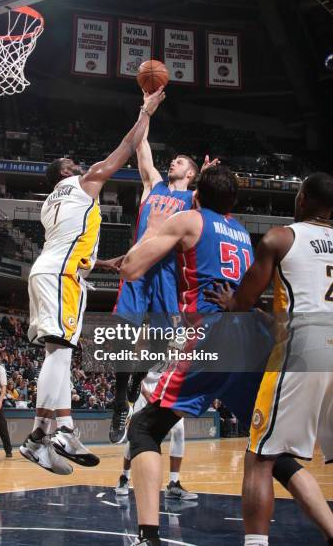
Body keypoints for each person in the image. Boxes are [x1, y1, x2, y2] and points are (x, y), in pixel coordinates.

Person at [20, 88, 166, 475]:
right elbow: (126, 146)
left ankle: (40, 438)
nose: (78, 165)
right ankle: (61, 430)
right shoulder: (82, 184)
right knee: (60, 352)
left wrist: (104, 262)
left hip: (53, 271)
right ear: (64, 175)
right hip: (60, 276)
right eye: (71, 164)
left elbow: (71, 245)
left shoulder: (52, 203)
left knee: (59, 353)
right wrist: (145, 111)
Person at [120, 166, 259, 545]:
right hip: (247, 340)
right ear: (233, 203)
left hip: (208, 337)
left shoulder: (191, 220)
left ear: (196, 196)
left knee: (144, 428)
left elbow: (132, 269)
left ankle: (148, 536)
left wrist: (152, 229)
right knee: (266, 448)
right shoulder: (244, 234)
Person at [204, 172, 333, 546]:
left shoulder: (281, 237)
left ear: (303, 199)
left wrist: (234, 302)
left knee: (260, 457)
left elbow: (242, 302)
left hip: (303, 350)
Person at [110, 124, 218, 443]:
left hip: (170, 272)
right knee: (124, 329)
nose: (174, 163)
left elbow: (211, 207)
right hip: (141, 262)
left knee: (160, 341)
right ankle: (119, 401)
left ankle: (137, 379)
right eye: (174, 160)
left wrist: (208, 178)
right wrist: (146, 108)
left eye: (182, 161)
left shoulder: (194, 198)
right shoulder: (153, 185)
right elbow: (140, 144)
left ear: (192, 173)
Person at [115, 369, 198, 500]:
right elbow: (134, 370)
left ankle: (173, 484)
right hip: (143, 387)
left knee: (179, 430)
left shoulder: (180, 350)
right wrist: (146, 393)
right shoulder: (149, 349)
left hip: (166, 387)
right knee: (137, 432)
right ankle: (125, 477)